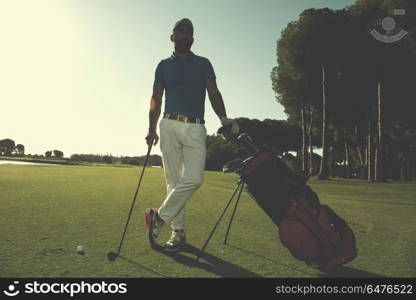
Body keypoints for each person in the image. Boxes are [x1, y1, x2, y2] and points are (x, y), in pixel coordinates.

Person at [144, 18, 239, 251]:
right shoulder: (163, 65)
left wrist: (224, 117)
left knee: (195, 178)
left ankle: (159, 217)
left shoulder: (203, 63)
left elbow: (214, 92)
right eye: (180, 32)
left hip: (195, 127)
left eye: (189, 33)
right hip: (168, 125)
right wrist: (151, 128)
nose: (184, 35)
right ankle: (177, 232)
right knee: (173, 181)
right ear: (172, 37)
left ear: (193, 39)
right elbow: (155, 98)